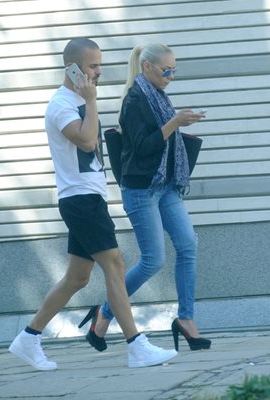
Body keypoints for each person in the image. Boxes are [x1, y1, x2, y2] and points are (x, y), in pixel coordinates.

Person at [8, 38, 178, 371]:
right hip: (80, 200)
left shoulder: (78, 100)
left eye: (99, 65)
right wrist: (91, 101)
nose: (98, 72)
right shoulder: (61, 104)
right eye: (92, 66)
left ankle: (28, 338)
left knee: (77, 279)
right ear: (71, 68)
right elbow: (86, 142)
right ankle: (136, 346)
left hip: (88, 198)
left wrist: (88, 101)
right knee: (114, 264)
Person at [79, 43, 211, 353]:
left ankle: (186, 320)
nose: (171, 76)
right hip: (141, 190)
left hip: (166, 187)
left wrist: (178, 122)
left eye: (174, 70)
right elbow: (143, 148)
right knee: (153, 260)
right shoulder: (135, 100)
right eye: (166, 71)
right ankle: (105, 311)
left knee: (188, 245)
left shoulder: (160, 97)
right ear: (147, 67)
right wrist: (175, 123)